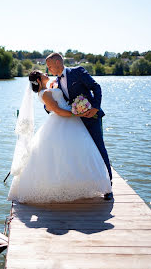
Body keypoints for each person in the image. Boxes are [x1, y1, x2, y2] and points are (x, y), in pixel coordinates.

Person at [7, 70, 112, 203]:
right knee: (61, 155)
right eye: (43, 75)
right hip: (62, 121)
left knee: (77, 152)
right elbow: (57, 111)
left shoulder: (49, 88)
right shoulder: (44, 94)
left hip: (71, 121)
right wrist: (77, 114)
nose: (46, 74)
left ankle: (80, 184)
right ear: (38, 80)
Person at [46, 53, 114, 200]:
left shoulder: (78, 71)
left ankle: (108, 187)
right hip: (74, 122)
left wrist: (95, 107)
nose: (49, 69)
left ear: (58, 62)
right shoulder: (56, 82)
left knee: (99, 148)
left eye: (50, 66)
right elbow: (58, 103)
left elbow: (96, 87)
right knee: (80, 153)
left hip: (91, 118)